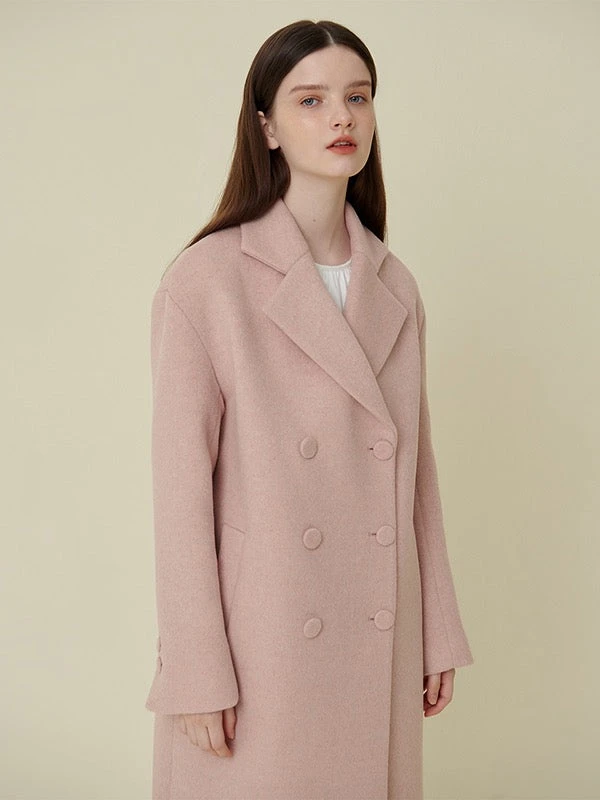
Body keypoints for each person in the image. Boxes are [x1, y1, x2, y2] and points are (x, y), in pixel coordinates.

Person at [145, 18, 474, 800]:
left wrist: (437, 629)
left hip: (376, 626)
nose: (340, 118)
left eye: (357, 97)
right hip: (262, 638)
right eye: (311, 99)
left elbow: (417, 474)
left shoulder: (396, 287)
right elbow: (180, 495)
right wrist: (194, 667)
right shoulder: (206, 281)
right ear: (266, 126)